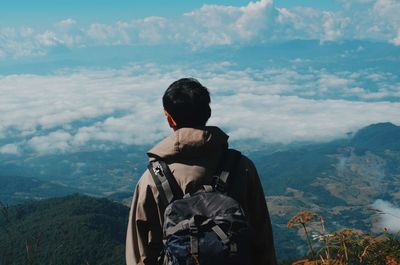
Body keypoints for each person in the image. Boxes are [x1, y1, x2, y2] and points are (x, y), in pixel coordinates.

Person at [126, 78, 277, 265]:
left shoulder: (152, 179)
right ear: (208, 113)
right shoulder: (242, 167)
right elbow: (262, 239)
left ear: (169, 118)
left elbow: (140, 254)